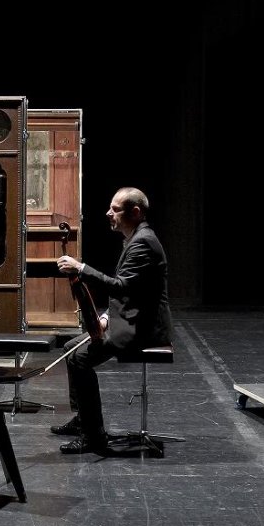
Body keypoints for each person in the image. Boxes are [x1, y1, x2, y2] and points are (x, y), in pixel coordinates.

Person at [54, 186, 173, 453]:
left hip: (143, 327)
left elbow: (120, 287)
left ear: (135, 212)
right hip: (130, 317)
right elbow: (133, 291)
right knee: (68, 349)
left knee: (80, 358)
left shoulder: (143, 242)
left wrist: (81, 268)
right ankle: (84, 419)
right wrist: (107, 316)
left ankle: (93, 436)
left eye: (115, 209)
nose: (109, 214)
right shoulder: (134, 237)